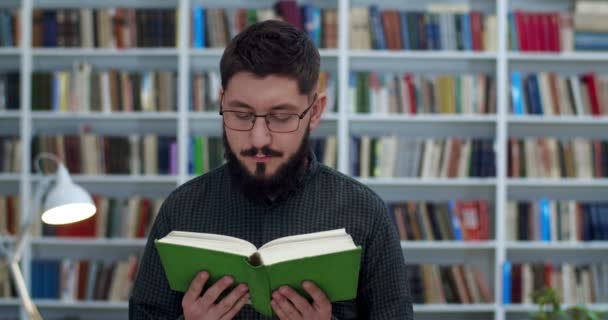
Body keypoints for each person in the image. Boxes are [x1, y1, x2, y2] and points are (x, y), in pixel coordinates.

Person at [129, 19, 413, 320]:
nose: (259, 139)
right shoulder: (181, 209)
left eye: (281, 117)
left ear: (314, 112)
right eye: (241, 114)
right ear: (221, 102)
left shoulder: (365, 212)